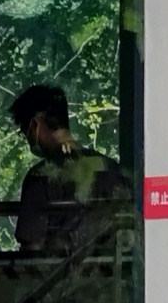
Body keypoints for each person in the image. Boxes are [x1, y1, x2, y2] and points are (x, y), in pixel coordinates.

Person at [7, 84, 125, 257]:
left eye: (24, 131)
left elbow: (31, 249)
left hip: (59, 274)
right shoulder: (110, 168)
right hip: (110, 273)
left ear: (34, 125)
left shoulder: (42, 176)